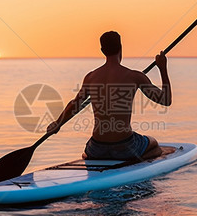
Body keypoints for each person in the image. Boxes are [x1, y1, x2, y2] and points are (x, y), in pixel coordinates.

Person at [47, 31, 171, 161]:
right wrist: (162, 68)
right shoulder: (134, 76)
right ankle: (135, 159)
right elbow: (166, 100)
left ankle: (91, 157)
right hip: (125, 146)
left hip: (97, 147)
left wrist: (58, 123)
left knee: (86, 153)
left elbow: (75, 104)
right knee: (155, 145)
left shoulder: (91, 77)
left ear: (102, 50)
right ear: (120, 48)